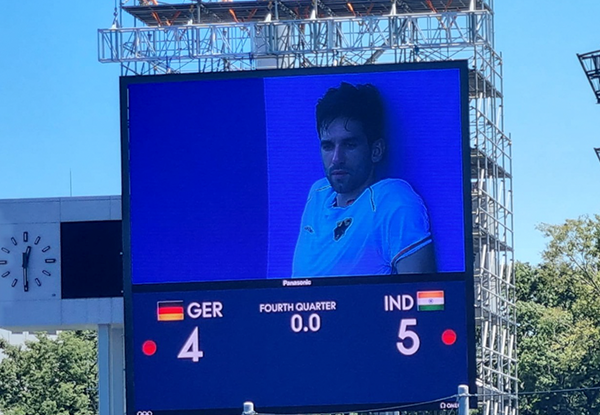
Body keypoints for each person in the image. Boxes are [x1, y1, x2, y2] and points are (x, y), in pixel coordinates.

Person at [291, 82, 435, 277]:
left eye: (349, 145)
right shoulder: (318, 194)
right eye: (328, 146)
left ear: (376, 151)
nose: (336, 159)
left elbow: (423, 297)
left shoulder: (394, 201)